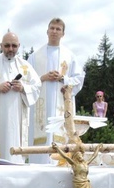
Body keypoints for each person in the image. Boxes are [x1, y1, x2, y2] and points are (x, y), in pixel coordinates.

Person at [0, 31, 41, 163]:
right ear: (1, 45)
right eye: (7, 45)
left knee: (15, 154)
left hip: (17, 118)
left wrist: (23, 88)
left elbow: (37, 86)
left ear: (19, 46)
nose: (10, 49)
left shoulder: (25, 66)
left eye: (14, 46)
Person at [27, 18, 84, 163]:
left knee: (60, 138)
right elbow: (27, 81)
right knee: (41, 139)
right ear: (47, 31)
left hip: (61, 104)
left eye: (58, 29)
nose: (54, 31)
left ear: (63, 34)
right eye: (52, 28)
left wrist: (63, 79)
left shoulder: (70, 56)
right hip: (41, 110)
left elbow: (79, 79)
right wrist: (43, 77)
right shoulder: (34, 57)